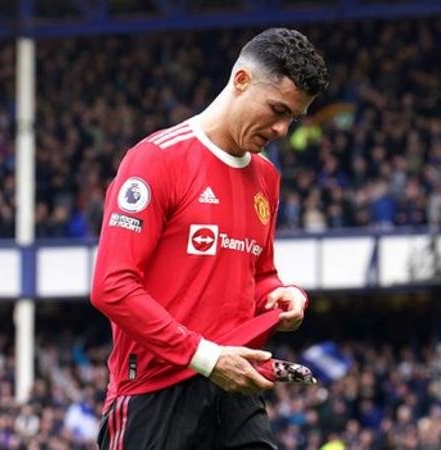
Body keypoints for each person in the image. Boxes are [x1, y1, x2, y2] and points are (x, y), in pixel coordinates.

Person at [90, 27, 328, 449]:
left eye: (292, 117)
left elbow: (259, 273)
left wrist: (281, 294)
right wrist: (207, 357)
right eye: (277, 110)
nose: (281, 130)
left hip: (235, 388)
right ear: (241, 81)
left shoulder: (267, 178)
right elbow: (112, 287)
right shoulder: (156, 160)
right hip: (155, 391)